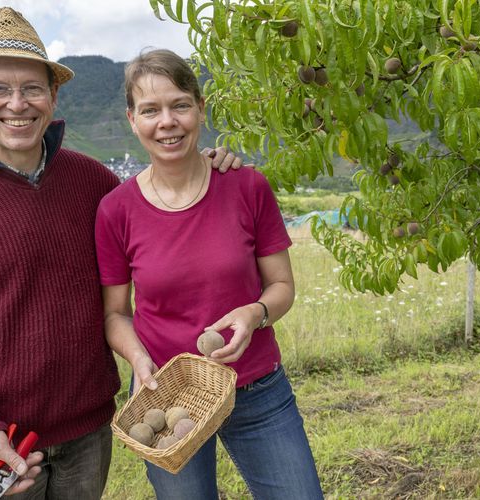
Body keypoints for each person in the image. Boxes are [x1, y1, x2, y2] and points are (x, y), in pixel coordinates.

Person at [0, 7, 243, 499]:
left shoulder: (92, 182)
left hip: (86, 435)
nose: (18, 104)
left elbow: (158, 203)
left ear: (53, 96)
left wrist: (202, 166)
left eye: (32, 88)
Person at [95, 48, 324, 499]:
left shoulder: (246, 186)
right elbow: (115, 315)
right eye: (150, 110)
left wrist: (255, 313)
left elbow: (281, 287)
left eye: (180, 104)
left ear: (200, 108)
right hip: (168, 396)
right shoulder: (116, 210)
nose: (167, 121)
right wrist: (140, 363)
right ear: (132, 119)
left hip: (255, 388)